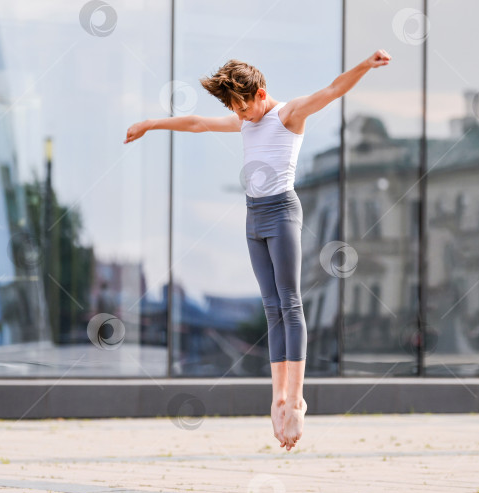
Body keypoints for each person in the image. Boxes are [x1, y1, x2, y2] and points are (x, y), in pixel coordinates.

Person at [124, 50, 392, 451]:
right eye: (234, 109)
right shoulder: (244, 119)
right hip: (254, 218)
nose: (241, 116)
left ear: (260, 94)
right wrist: (150, 123)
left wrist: (365, 66)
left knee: (291, 303)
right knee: (271, 308)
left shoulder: (289, 115)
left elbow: (334, 89)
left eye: (243, 107)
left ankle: (296, 398)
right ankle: (277, 397)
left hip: (283, 212)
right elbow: (197, 123)